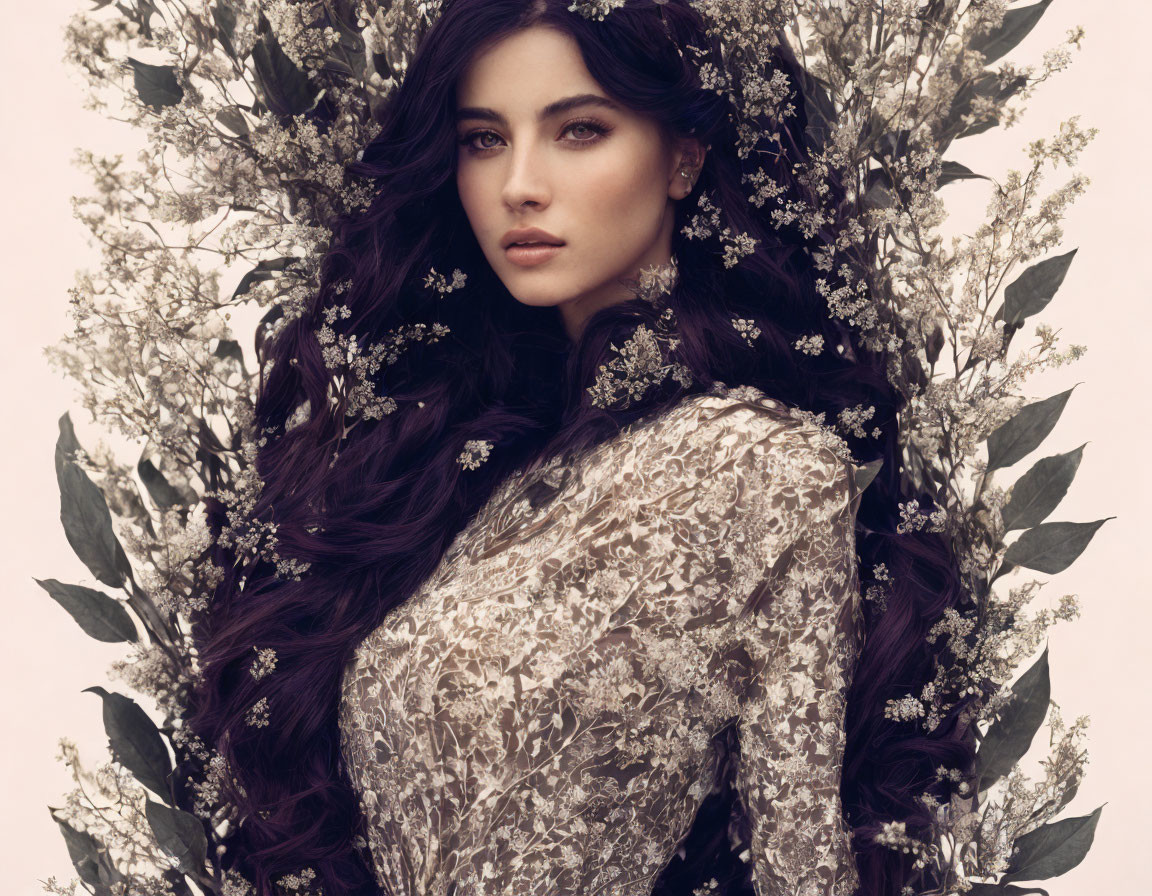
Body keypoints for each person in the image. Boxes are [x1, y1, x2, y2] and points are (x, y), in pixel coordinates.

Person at [189, 2, 976, 895]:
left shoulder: (764, 470)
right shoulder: (467, 458)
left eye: (580, 130)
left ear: (686, 154)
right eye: (484, 139)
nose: (519, 184)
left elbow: (803, 865)